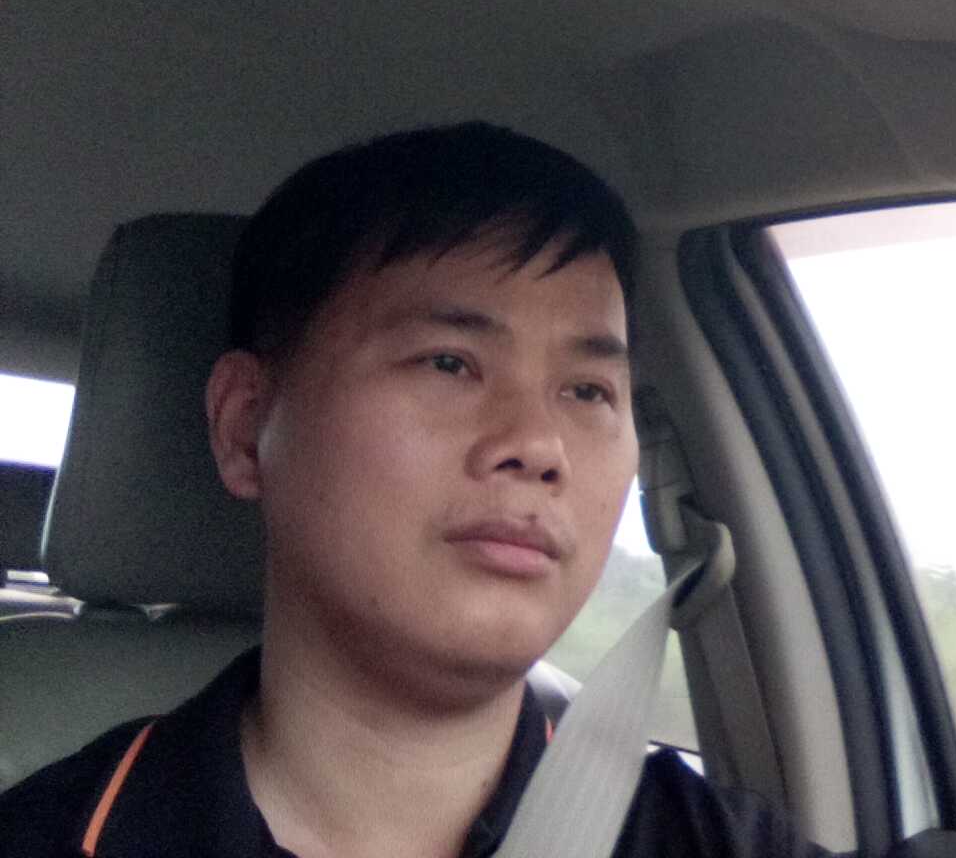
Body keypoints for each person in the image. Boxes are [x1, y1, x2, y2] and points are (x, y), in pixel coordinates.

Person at [0, 123, 832, 858]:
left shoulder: (707, 838)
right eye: (448, 363)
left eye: (587, 391)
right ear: (246, 425)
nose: (538, 446)